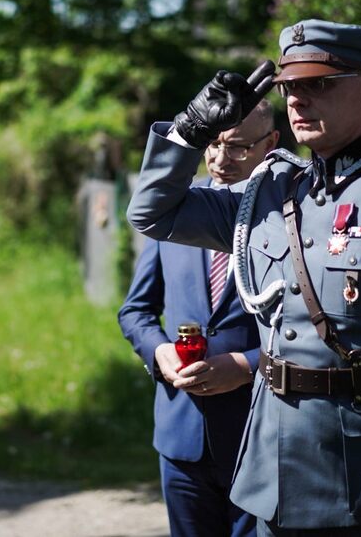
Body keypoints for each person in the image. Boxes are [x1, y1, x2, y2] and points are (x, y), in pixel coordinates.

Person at [126, 19, 361, 536]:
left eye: (320, 84)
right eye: (291, 86)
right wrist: (191, 127)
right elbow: (152, 214)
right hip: (269, 475)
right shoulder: (270, 191)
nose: (299, 100)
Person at [119, 101, 279, 537]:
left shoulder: (289, 220)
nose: (220, 159)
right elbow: (136, 310)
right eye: (212, 143)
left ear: (271, 144)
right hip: (181, 435)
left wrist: (247, 365)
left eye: (239, 147)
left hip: (258, 435)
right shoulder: (175, 211)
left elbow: (307, 331)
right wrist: (159, 351)